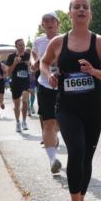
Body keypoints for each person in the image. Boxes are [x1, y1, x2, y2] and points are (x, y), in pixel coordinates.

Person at [41, 0, 101, 201]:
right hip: (67, 108)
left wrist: (94, 71)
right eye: (77, 7)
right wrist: (49, 75)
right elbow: (43, 63)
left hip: (93, 109)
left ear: (90, 14)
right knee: (76, 151)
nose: (82, 10)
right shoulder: (58, 43)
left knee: (86, 159)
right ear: (70, 14)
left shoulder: (100, 42)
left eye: (85, 7)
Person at [32, 12, 63, 174]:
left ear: (58, 23)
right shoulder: (38, 40)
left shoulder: (65, 39)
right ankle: (52, 159)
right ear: (42, 25)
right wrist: (34, 63)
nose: (49, 23)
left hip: (63, 86)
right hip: (44, 85)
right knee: (48, 122)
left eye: (52, 20)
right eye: (45, 21)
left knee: (58, 124)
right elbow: (33, 54)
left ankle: (54, 138)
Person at [6, 39, 32, 133]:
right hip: (15, 83)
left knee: (25, 102)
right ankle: (17, 122)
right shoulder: (11, 56)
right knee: (17, 105)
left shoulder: (28, 56)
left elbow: (31, 69)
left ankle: (24, 121)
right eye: (20, 45)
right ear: (16, 46)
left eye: (23, 45)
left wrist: (29, 65)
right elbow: (8, 72)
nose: (22, 46)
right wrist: (15, 63)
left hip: (25, 82)